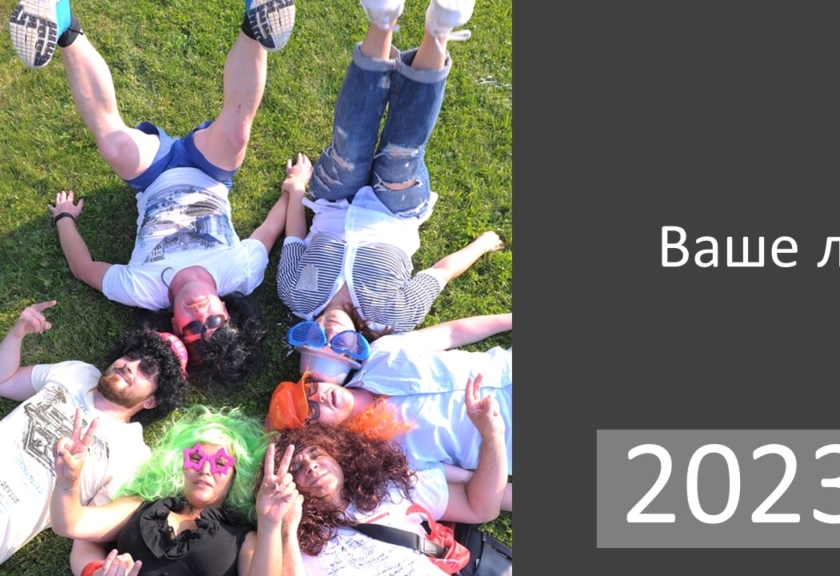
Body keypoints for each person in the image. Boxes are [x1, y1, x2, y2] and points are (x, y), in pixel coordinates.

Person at [8, 0, 297, 387]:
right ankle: (256, 20)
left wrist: (64, 218)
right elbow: (271, 228)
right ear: (226, 310)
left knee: (113, 143)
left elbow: (83, 269)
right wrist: (294, 188)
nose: (200, 313)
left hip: (153, 175)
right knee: (236, 133)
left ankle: (64, 24)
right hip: (209, 170)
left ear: (175, 326)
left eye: (194, 327)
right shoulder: (241, 273)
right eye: (214, 320)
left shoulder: (143, 289)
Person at [275, 0, 502, 346]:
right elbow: (440, 273)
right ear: (360, 348)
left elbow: (295, 236)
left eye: (315, 340)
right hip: (395, 213)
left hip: (333, 200)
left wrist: (296, 188)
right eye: (341, 346)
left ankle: (383, 19)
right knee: (401, 157)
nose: (329, 332)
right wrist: (482, 244)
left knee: (349, 147)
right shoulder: (396, 317)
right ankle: (439, 30)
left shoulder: (294, 296)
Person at [0, 300, 189, 567]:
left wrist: (70, 482)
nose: (130, 365)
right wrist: (16, 333)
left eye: (146, 370)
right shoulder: (77, 373)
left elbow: (83, 533)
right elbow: (5, 381)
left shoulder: (133, 454)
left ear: (151, 401)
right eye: (132, 355)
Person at [263, 370, 506, 576]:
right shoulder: (299, 544)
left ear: (337, 454)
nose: (311, 466)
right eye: (296, 468)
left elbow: (479, 507)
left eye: (316, 454)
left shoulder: (391, 488)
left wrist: (492, 436)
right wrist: (285, 527)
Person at [50, 404, 300, 576]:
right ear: (179, 462)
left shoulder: (243, 538)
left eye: (220, 463)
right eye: (196, 458)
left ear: (236, 473)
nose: (205, 470)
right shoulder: (143, 505)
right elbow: (71, 525)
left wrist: (270, 523)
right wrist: (67, 483)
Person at [267, 312, 512, 485]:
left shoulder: (381, 353)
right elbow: (473, 481)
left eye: (309, 389)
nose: (319, 396)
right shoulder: (388, 455)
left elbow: (451, 333)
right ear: (319, 434)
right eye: (311, 410)